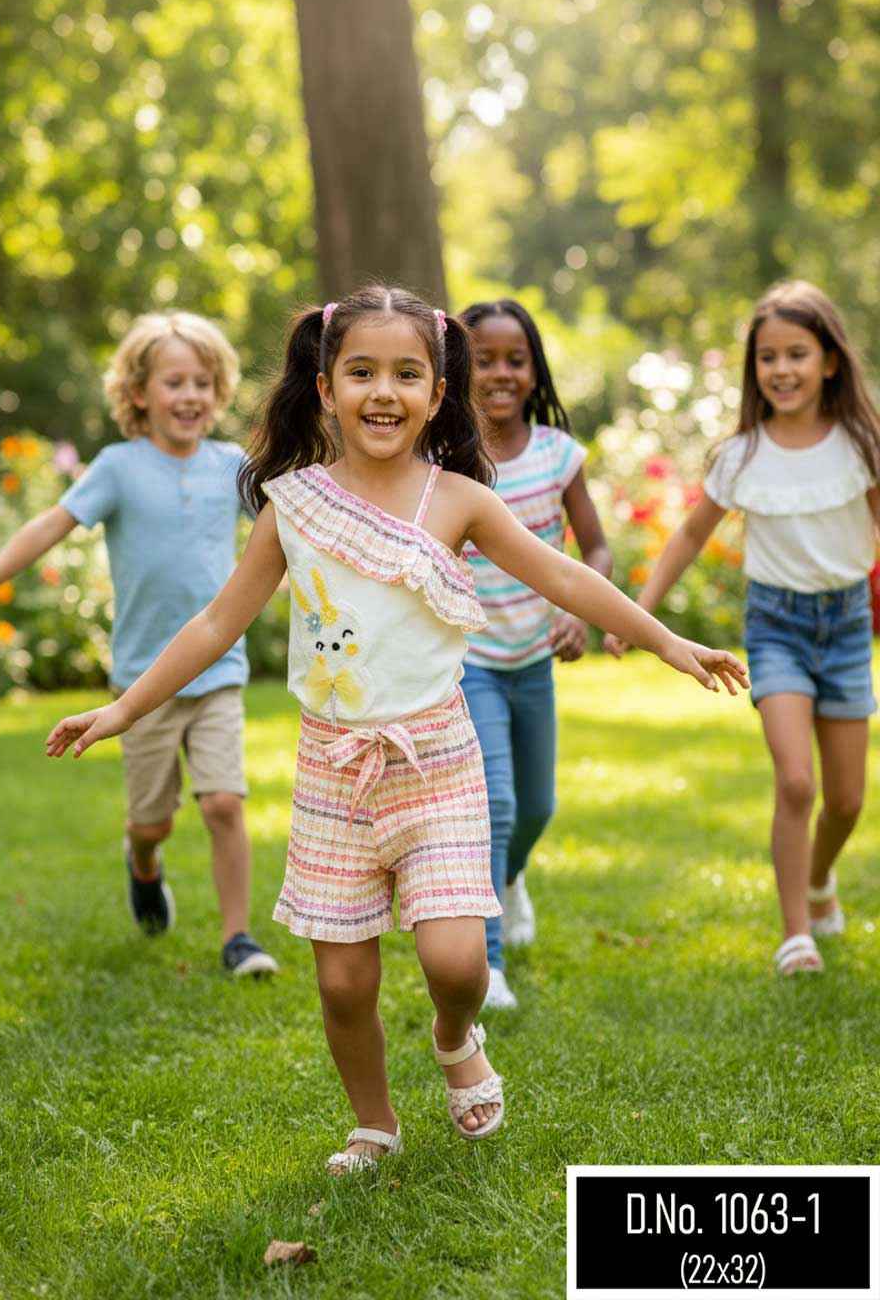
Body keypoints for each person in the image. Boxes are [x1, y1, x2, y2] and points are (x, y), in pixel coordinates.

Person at [44, 286, 746, 1174]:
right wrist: (122, 710)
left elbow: (565, 578)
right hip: (333, 770)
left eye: (407, 374)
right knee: (344, 981)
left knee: (458, 963)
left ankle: (455, 1037)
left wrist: (668, 641)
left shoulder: (458, 500)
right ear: (326, 386)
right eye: (362, 372)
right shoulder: (292, 505)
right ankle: (374, 1124)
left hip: (437, 759)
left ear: (438, 392)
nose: (384, 392)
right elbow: (217, 624)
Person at [0, 312, 277, 979]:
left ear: (219, 390)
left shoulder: (231, 465)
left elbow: (288, 527)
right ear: (139, 392)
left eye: (203, 382)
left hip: (218, 671)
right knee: (152, 824)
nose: (190, 395)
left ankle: (238, 937)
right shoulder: (119, 467)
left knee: (224, 803)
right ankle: (142, 863)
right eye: (174, 382)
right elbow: (49, 526)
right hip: (141, 682)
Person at [605, 280, 880, 976]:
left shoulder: (860, 444)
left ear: (830, 361)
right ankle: (797, 935)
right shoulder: (743, 455)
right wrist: (641, 613)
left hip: (847, 627)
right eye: (767, 357)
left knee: (847, 799)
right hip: (777, 628)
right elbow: (689, 536)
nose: (781, 370)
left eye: (796, 354)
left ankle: (819, 878)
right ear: (754, 368)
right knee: (797, 782)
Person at [459, 299, 612, 1011]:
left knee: (537, 807)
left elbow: (596, 547)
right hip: (470, 658)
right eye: (484, 360)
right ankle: (488, 965)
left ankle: (511, 877)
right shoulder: (446, 456)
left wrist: (579, 610)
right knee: (495, 801)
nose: (500, 373)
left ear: (534, 370)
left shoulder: (557, 454)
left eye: (514, 360)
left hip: (533, 658)